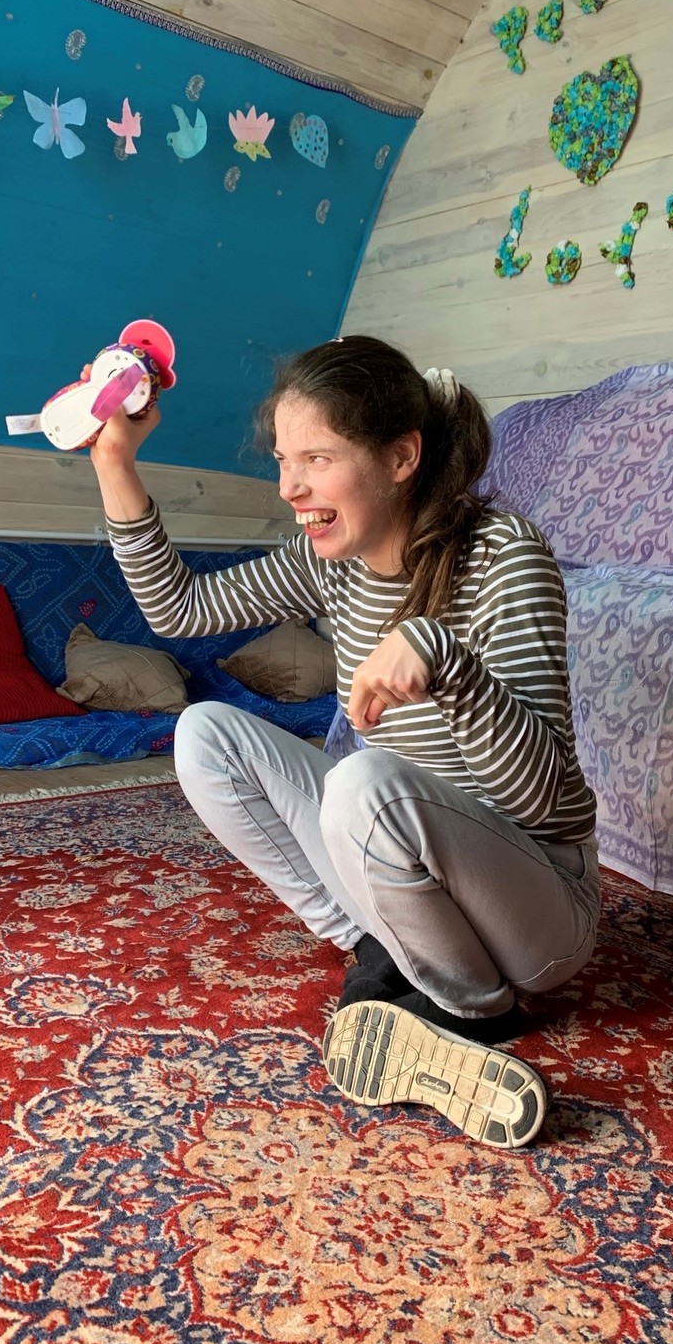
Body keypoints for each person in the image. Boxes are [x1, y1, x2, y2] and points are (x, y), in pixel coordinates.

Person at [89, 335, 600, 1149]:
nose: (291, 488)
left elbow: (542, 798)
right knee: (206, 732)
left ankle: (473, 1007)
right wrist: (115, 460)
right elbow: (179, 612)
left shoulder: (506, 559)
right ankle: (384, 947)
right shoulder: (332, 562)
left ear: (400, 457)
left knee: (363, 782)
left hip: (538, 909)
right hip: (416, 867)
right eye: (285, 461)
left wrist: (445, 663)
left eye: (316, 460)